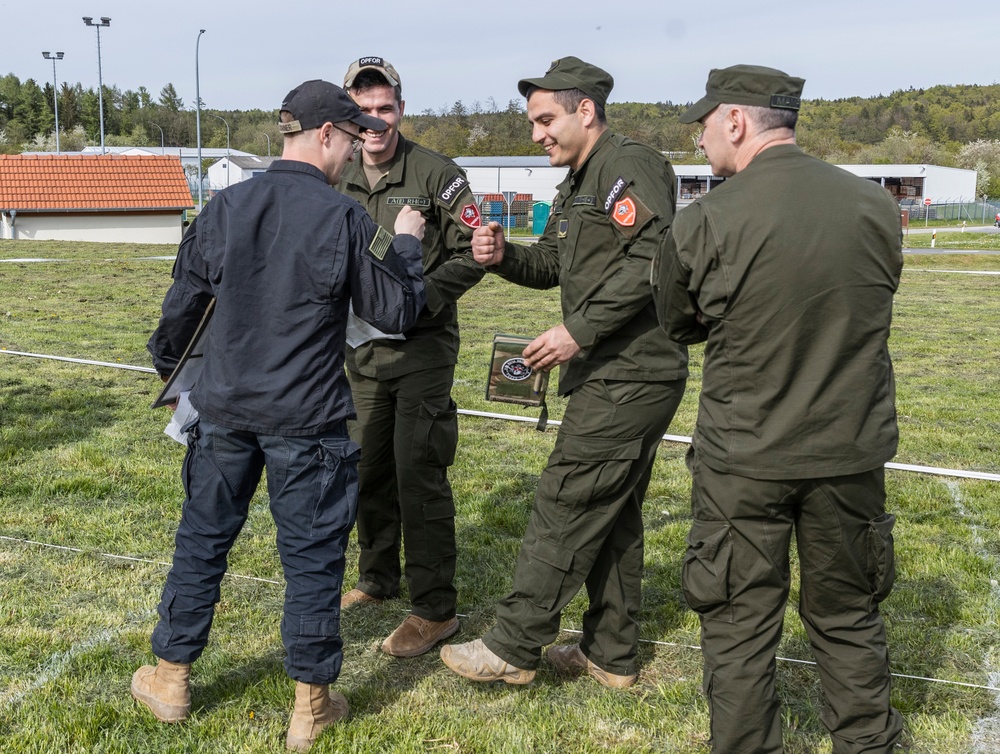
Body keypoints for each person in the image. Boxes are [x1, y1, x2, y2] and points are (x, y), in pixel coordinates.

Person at [132, 79, 427, 752]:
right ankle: (310, 707)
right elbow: (397, 312)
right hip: (309, 419)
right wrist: (405, 242)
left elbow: (178, 316)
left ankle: (172, 677)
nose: (355, 157)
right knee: (314, 561)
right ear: (326, 135)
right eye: (351, 142)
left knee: (203, 542)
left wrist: (172, 378)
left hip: (226, 412)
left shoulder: (226, 206)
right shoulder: (347, 218)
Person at [651, 65, 904, 753]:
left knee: (737, 628)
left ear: (736, 121)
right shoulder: (875, 206)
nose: (701, 139)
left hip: (745, 459)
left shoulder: (707, 219)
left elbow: (677, 320)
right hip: (848, 453)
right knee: (848, 616)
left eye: (705, 124)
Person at [439, 57, 688, 688]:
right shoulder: (580, 181)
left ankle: (514, 646)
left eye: (546, 119)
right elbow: (553, 262)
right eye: (532, 122)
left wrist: (581, 329)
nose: (536, 134)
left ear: (586, 111)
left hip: (631, 373)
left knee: (567, 498)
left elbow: (656, 255)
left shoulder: (626, 166)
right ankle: (611, 653)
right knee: (612, 512)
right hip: (619, 372)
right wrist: (502, 257)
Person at [336, 56, 485, 658]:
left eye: (385, 109)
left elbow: (475, 253)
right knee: (366, 466)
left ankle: (434, 608)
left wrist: (418, 301)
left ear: (401, 106)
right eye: (362, 110)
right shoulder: (335, 170)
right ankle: (377, 577)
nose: (374, 122)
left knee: (418, 471)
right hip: (359, 350)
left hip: (421, 346)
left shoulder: (436, 174)